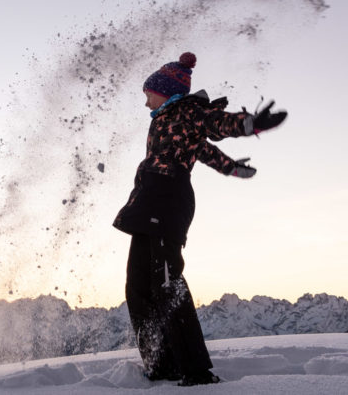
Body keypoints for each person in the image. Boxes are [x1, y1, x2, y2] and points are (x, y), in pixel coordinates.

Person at [113, 52, 287, 386]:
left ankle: (194, 369)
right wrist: (232, 167)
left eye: (148, 93)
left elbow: (216, 124)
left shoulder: (189, 110)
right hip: (145, 202)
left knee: (166, 283)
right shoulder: (165, 118)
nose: (145, 101)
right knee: (138, 286)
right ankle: (159, 363)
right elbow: (203, 150)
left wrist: (250, 124)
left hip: (167, 201)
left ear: (165, 90)